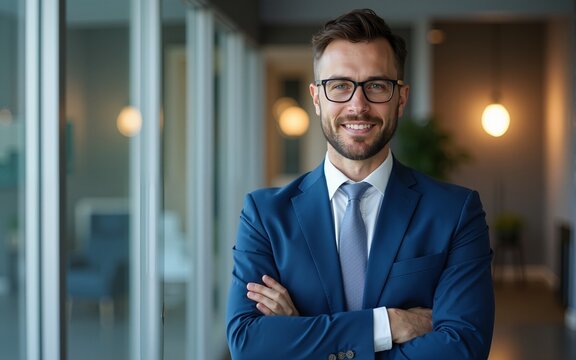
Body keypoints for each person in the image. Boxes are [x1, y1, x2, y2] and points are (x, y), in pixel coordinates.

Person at [226, 8, 494, 360]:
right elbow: (247, 343)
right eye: (339, 86)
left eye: (377, 86)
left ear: (401, 98)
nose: (358, 105)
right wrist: (386, 325)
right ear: (316, 97)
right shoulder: (264, 215)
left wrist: (302, 332)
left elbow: (464, 348)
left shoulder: (455, 212)